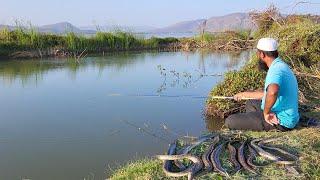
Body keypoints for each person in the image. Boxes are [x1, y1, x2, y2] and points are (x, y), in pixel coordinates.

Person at [225, 38, 300, 131]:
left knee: (230, 121)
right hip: (286, 115)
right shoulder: (280, 65)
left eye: (258, 53)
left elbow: (272, 92)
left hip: (282, 121)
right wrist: (244, 94)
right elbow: (268, 94)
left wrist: (266, 113)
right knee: (251, 103)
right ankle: (257, 124)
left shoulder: (275, 70)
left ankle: (267, 122)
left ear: (262, 54)